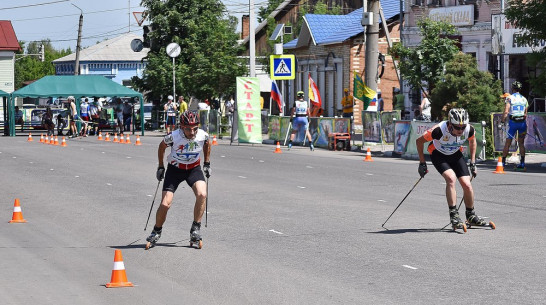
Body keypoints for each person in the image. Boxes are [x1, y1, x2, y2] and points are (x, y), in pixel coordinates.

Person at [146, 111, 211, 249]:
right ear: (182, 127)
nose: (192, 132)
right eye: (188, 128)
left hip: (193, 169)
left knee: (202, 194)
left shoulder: (202, 135)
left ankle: (195, 229)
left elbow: (207, 144)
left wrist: (206, 163)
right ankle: (156, 230)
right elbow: (161, 147)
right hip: (175, 169)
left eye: (195, 128)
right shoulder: (173, 136)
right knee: (165, 204)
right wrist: (160, 166)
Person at [416, 108, 487, 229]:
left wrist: (473, 162)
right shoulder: (438, 130)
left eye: (462, 127)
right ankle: (454, 215)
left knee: (467, 184)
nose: (460, 130)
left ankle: (470, 215)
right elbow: (419, 141)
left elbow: (472, 142)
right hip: (438, 154)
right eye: (457, 127)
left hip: (455, 154)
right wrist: (422, 163)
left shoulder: (469, 129)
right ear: (450, 124)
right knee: (451, 179)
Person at [501, 81, 529, 170]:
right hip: (522, 123)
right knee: (521, 143)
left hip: (513, 123)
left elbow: (506, 111)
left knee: (508, 143)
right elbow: (525, 113)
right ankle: (522, 163)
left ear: (512, 88)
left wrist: (502, 121)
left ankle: (502, 163)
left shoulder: (509, 98)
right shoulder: (524, 99)